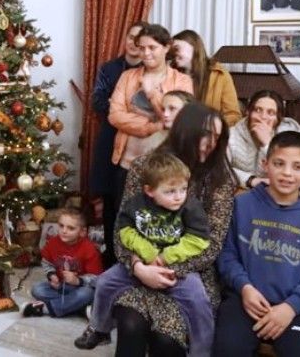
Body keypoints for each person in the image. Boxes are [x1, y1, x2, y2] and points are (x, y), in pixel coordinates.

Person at [77, 103, 237, 356]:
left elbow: (212, 244)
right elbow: (123, 226)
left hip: (188, 271)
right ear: (186, 131)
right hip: (139, 263)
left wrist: (165, 267)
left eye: (218, 137)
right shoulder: (145, 167)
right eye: (206, 134)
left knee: (166, 339)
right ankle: (98, 328)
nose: (211, 143)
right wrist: (139, 267)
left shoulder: (219, 180)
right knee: (130, 323)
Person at [214, 131, 300, 356]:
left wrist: (291, 306)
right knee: (227, 349)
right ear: (265, 164)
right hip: (246, 298)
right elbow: (227, 256)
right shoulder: (241, 205)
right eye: (279, 164)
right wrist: (245, 288)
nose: (287, 173)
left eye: (297, 167)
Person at [82, 152, 214, 356]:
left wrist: (165, 257)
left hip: (176, 269)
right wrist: (147, 254)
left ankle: (201, 352)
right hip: (142, 263)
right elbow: (124, 231)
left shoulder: (190, 206)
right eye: (170, 191)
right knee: (104, 282)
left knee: (199, 301)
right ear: (150, 191)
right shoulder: (136, 204)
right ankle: (100, 329)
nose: (179, 196)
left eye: (183, 189)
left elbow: (199, 240)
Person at [107, 24, 193, 240]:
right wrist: (153, 126)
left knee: (157, 224)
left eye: (152, 48)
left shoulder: (182, 81)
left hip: (164, 168)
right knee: (125, 222)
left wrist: (151, 94)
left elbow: (178, 120)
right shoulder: (127, 77)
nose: (145, 53)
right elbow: (115, 116)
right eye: (142, 48)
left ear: (166, 47)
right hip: (126, 163)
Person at [89, 21, 146, 266]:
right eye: (131, 37)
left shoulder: (150, 72)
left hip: (138, 143)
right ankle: (112, 256)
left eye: (140, 39)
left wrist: (121, 108)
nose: (134, 43)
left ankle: (133, 257)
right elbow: (98, 101)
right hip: (110, 138)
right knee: (110, 199)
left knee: (133, 199)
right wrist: (122, 109)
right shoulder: (109, 68)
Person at [23, 208, 103, 318]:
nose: (64, 231)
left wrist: (78, 281)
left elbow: (97, 279)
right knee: (37, 289)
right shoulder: (53, 242)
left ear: (82, 232)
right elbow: (46, 262)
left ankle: (46, 309)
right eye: (61, 226)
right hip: (61, 286)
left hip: (81, 288)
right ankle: (78, 308)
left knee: (87, 294)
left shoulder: (89, 248)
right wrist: (51, 275)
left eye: (71, 228)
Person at [229, 90, 300, 190]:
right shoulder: (231, 135)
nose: (263, 117)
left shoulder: (289, 137)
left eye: (270, 112)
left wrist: (267, 143)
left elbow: (290, 172)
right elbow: (219, 169)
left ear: (278, 118)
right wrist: (250, 180)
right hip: (240, 192)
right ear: (248, 112)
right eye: (258, 110)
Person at [171, 30, 241, 126]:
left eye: (177, 48)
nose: (173, 53)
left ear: (194, 46)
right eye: (172, 50)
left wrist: (210, 127)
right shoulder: (171, 74)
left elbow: (233, 115)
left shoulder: (219, 75)